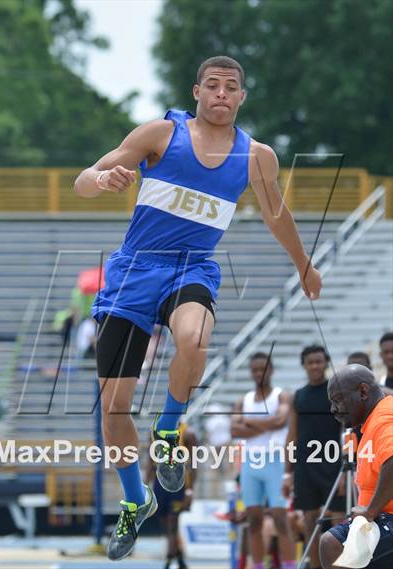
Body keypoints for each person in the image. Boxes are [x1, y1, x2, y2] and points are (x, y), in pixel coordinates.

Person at [74, 54, 322, 561]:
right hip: (133, 274)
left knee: (194, 339)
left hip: (192, 269)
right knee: (114, 412)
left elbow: (277, 216)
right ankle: (134, 501)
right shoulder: (160, 135)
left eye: (232, 87)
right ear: (196, 92)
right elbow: (85, 177)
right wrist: (102, 182)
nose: (222, 95)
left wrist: (304, 264)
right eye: (213, 86)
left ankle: (167, 430)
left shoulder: (257, 156)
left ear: (242, 97)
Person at [320, 364, 393, 569]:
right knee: (332, 542)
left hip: (386, 519)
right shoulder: (374, 420)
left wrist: (370, 511)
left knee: (332, 543)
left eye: (337, 400)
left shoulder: (385, 419)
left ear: (362, 391)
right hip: (382, 519)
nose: (333, 409)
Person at [231, 352, 296, 569]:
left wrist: (249, 421)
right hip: (251, 462)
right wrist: (266, 424)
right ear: (251, 372)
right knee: (254, 522)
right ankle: (258, 565)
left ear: (272, 370)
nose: (259, 373)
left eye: (264, 368)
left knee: (280, 519)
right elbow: (234, 430)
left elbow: (281, 422)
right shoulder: (244, 399)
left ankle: (288, 566)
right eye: (255, 369)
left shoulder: (281, 396)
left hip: (275, 460)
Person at [283, 345, 345, 569]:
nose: (315, 366)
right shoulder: (298, 396)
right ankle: (315, 565)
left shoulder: (336, 391)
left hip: (333, 463)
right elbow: (291, 435)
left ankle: (339, 566)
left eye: (319, 361)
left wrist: (346, 468)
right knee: (310, 520)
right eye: (311, 362)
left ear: (326, 363)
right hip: (305, 466)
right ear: (304, 365)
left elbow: (345, 431)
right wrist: (286, 474)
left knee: (339, 519)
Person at [146, 422, 197, 569]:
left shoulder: (188, 434)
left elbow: (193, 464)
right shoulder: (154, 432)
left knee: (172, 523)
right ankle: (180, 559)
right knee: (164, 523)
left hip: (179, 483)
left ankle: (168, 561)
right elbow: (151, 460)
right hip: (159, 482)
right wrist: (145, 485)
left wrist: (190, 490)